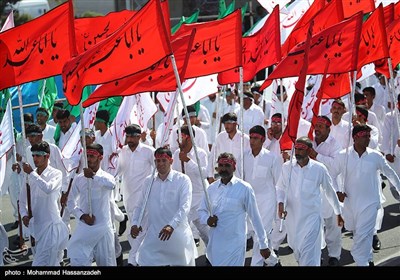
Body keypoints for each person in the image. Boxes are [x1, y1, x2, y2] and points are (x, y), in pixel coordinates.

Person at [330, 124, 400, 266]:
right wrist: (337, 191)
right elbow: (331, 175)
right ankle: (368, 259)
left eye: (369, 135)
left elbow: (390, 174)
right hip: (350, 205)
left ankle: (362, 262)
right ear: (355, 137)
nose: (368, 138)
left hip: (371, 203)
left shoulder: (376, 156)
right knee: (361, 235)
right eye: (364, 135)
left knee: (361, 237)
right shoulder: (343, 156)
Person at [277, 137, 344, 266]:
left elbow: (330, 192)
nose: (297, 152)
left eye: (301, 149)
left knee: (309, 258)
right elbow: (280, 188)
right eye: (296, 148)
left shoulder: (319, 169)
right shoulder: (287, 167)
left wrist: (338, 212)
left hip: (311, 219)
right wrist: (280, 204)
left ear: (309, 150)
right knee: (299, 253)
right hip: (292, 220)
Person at [198, 152, 271, 266]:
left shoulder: (244, 188)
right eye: (221, 166)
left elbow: (255, 218)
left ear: (234, 167)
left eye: (227, 166)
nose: (223, 169)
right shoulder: (211, 189)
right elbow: (201, 211)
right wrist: (207, 219)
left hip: (235, 245)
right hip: (215, 245)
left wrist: (263, 244)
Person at [130, 147, 197, 266]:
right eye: (157, 161)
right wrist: (135, 223)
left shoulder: (182, 180)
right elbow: (140, 206)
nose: (160, 164)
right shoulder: (148, 181)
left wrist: (171, 225)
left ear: (171, 161)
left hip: (177, 235)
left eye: (163, 160)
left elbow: (185, 207)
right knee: (145, 261)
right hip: (155, 235)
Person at [19, 141, 69, 266]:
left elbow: (48, 188)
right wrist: (24, 215)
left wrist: (32, 173)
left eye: (38, 155)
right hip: (36, 228)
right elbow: (22, 200)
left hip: (51, 227)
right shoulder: (29, 176)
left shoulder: (56, 174)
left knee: (38, 265)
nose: (35, 158)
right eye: (33, 155)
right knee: (52, 264)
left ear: (47, 156)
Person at [67, 143, 116, 266]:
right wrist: (82, 216)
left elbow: (112, 185)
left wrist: (93, 176)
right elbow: (70, 201)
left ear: (100, 157)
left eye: (92, 156)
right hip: (85, 227)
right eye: (87, 156)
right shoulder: (79, 178)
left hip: (103, 228)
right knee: (78, 261)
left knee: (107, 263)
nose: (89, 159)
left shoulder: (106, 177)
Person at [115, 124, 155, 266]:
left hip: (144, 196)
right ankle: (140, 255)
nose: (130, 139)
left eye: (132, 136)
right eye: (128, 136)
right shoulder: (122, 151)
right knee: (134, 225)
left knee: (140, 227)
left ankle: (133, 259)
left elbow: (158, 169)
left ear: (139, 136)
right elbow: (117, 171)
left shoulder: (148, 151)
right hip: (128, 196)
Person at [243, 126, 281, 266]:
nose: (252, 141)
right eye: (251, 138)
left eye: (255, 138)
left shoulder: (272, 158)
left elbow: (279, 183)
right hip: (249, 201)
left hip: (267, 201)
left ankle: (256, 264)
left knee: (261, 235)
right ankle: (272, 261)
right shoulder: (243, 156)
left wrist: (280, 204)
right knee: (257, 234)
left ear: (263, 140)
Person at [308, 116, 343, 266]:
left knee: (332, 226)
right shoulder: (309, 142)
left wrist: (316, 156)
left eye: (321, 126)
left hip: (329, 189)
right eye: (316, 125)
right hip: (311, 190)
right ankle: (317, 254)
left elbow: (335, 167)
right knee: (314, 226)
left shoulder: (335, 145)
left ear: (329, 129)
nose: (317, 128)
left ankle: (334, 256)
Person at [171, 125, 209, 247]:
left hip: (199, 197)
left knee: (205, 232)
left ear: (189, 138)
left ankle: (213, 255)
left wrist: (188, 161)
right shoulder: (176, 153)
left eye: (181, 137)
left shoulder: (200, 154)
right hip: (184, 198)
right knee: (180, 229)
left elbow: (204, 174)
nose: (178, 140)